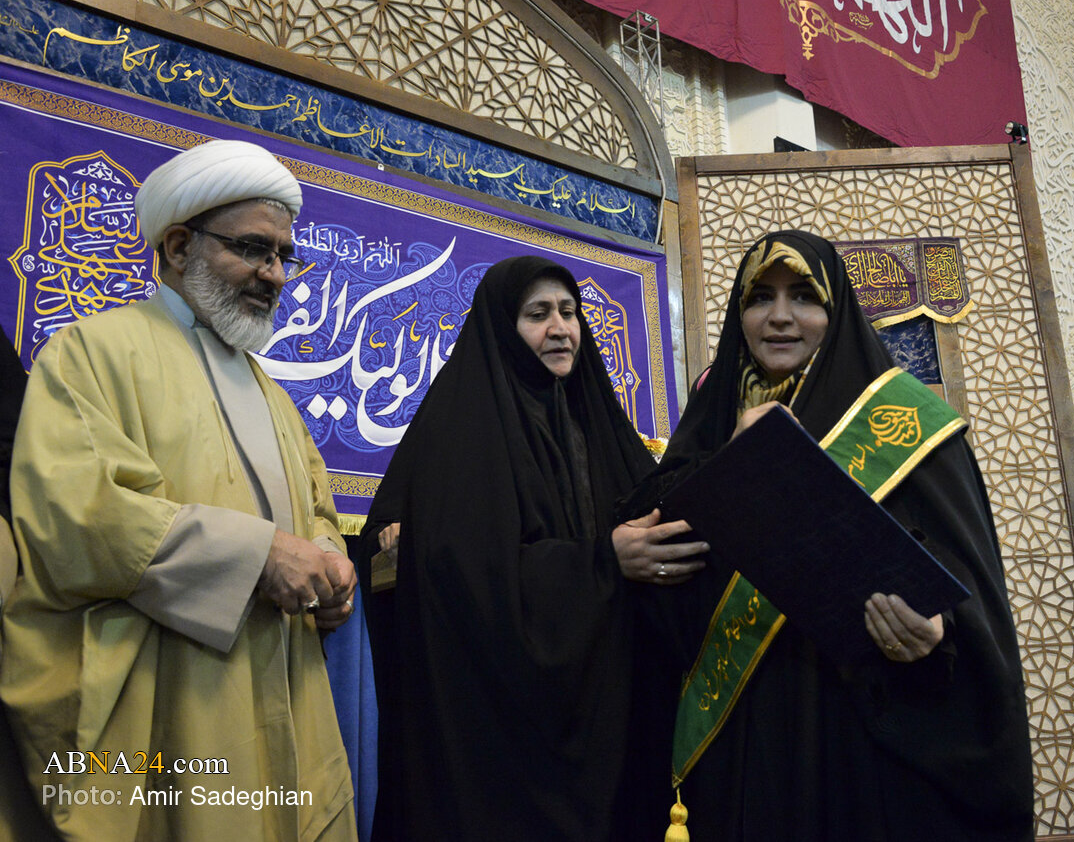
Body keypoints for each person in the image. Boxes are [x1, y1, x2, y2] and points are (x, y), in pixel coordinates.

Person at [621, 230, 1035, 841]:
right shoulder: (710, 425)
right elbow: (663, 576)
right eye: (760, 297)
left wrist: (938, 634)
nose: (780, 316)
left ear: (836, 309)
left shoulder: (909, 423)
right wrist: (626, 553)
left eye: (803, 296)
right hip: (740, 751)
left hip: (856, 742)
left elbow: (974, 600)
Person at [3, 139, 358, 840]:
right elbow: (79, 516)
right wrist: (257, 557)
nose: (274, 274)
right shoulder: (91, 353)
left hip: (290, 689)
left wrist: (328, 562)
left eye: (284, 256)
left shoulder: (271, 392)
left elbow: (316, 507)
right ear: (177, 246)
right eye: (253, 249)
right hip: (180, 702)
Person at [361, 256, 706, 841]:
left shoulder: (595, 418)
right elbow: (465, 575)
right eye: (538, 314)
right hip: (503, 739)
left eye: (569, 312)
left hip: (607, 712)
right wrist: (604, 562)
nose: (560, 328)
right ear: (503, 325)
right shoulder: (462, 429)